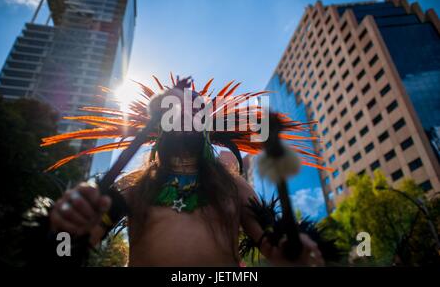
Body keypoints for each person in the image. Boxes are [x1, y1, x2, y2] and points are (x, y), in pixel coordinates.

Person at [43, 75, 326, 266]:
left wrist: (292, 247)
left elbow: (271, 242)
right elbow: (86, 234)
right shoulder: (133, 184)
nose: (185, 113)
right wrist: (68, 227)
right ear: (161, 124)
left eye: (195, 109)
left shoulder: (233, 186)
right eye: (175, 109)